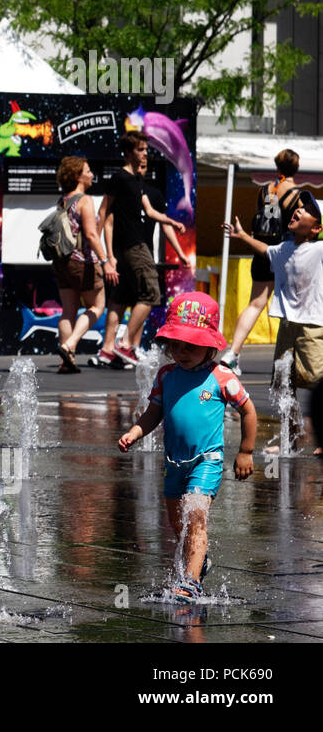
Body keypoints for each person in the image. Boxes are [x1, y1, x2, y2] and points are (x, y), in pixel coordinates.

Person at [118, 292, 256, 602]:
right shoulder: (166, 375)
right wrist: (136, 431)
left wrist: (245, 451)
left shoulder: (221, 376)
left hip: (207, 460)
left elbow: (248, 410)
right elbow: (154, 412)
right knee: (176, 522)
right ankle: (198, 560)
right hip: (173, 463)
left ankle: (191, 583)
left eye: (190, 346)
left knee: (195, 516)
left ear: (210, 344)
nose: (181, 352)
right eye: (175, 345)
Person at [223, 190, 323, 454]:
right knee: (284, 381)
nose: (298, 210)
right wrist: (243, 236)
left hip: (314, 326)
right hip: (288, 326)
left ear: (316, 228)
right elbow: (266, 250)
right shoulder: (286, 248)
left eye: (307, 211)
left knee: (316, 377)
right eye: (299, 207)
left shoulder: (320, 250)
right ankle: (289, 440)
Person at [93, 131, 186, 370]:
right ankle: (124, 345)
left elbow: (150, 210)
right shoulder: (120, 178)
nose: (145, 153)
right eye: (140, 150)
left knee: (123, 297)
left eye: (146, 149)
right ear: (129, 152)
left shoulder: (137, 181)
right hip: (131, 246)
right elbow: (104, 214)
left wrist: (171, 222)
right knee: (151, 293)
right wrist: (106, 255)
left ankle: (112, 349)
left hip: (133, 246)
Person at [220, 150, 303, 376]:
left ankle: (232, 353)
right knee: (292, 308)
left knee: (255, 304)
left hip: (261, 251)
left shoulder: (265, 190)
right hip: (286, 254)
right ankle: (291, 360)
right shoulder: (298, 195)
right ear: (296, 168)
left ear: (277, 167)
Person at [50, 156, 117, 373]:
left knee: (68, 311)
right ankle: (69, 346)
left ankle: (65, 361)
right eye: (87, 171)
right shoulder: (85, 200)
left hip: (61, 262)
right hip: (83, 263)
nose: (91, 175)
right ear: (78, 176)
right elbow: (90, 233)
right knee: (97, 307)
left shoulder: (63, 200)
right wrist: (105, 261)